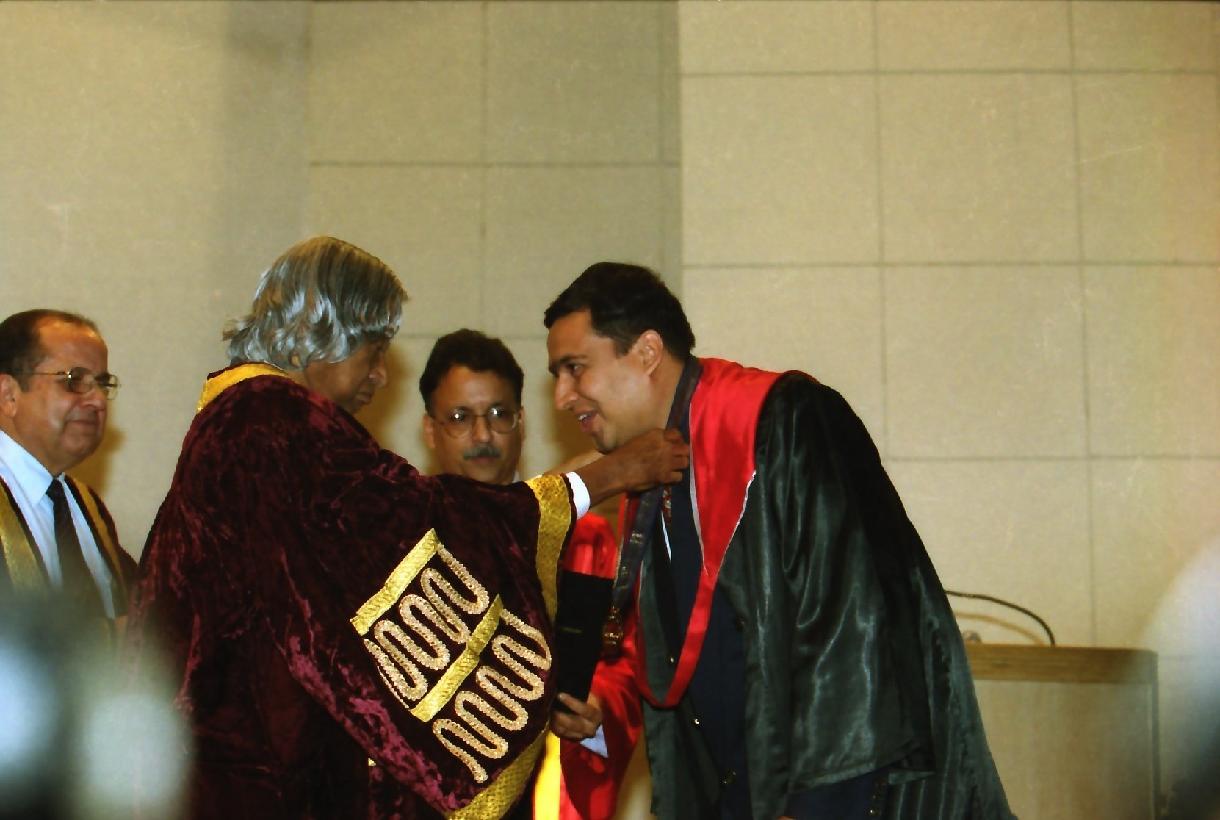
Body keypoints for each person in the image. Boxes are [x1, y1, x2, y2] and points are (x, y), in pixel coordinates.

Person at [125, 237, 687, 820]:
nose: (379, 374)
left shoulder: (240, 415)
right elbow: (409, 520)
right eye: (373, 350)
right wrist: (603, 477)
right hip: (253, 777)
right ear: (324, 333)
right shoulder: (270, 419)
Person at [543, 262, 1014, 820]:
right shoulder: (649, 480)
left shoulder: (784, 420)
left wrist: (813, 805)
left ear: (646, 352)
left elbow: (851, 623)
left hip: (830, 797)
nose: (562, 396)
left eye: (575, 368)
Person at [414, 329, 642, 819]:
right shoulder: (404, 543)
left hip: (546, 792)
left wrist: (598, 707)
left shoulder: (583, 539)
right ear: (430, 430)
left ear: (522, 422)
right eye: (460, 418)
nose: (483, 436)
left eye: (499, 415)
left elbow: (625, 662)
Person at [0, 309, 134, 637]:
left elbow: (146, 618)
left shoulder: (86, 506)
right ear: (8, 395)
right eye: (74, 380)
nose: (98, 400)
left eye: (102, 383)